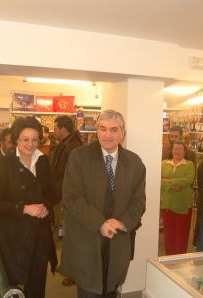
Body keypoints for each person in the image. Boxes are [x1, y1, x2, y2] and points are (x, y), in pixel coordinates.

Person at [60, 109, 146, 298]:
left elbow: (139, 201)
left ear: (122, 134)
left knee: (111, 288)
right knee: (89, 289)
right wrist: (99, 223)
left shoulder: (134, 162)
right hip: (87, 235)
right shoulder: (79, 157)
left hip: (118, 238)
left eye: (114, 130)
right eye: (103, 129)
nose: (108, 134)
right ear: (96, 131)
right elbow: (71, 196)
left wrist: (122, 222)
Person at [0, 117, 57, 298]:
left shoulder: (42, 161)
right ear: (16, 139)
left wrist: (46, 207)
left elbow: (52, 192)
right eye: (25, 139)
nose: (30, 144)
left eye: (35, 139)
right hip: (12, 235)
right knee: (13, 285)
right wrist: (24, 209)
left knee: (37, 282)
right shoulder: (3, 164)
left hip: (39, 233)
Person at [50, 115, 83, 286]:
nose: (53, 131)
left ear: (63, 129)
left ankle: (74, 272)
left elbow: (72, 175)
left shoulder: (73, 147)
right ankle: (68, 266)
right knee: (68, 233)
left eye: (55, 128)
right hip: (61, 194)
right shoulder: (66, 144)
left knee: (72, 235)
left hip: (68, 196)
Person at [160, 141, 195, 255]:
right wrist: (173, 185)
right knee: (169, 235)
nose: (177, 151)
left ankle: (179, 262)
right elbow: (159, 180)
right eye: (175, 149)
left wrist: (168, 181)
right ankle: (168, 260)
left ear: (184, 152)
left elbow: (188, 180)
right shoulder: (163, 163)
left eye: (180, 149)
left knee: (181, 236)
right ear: (172, 151)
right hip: (167, 205)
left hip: (183, 206)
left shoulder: (189, 165)